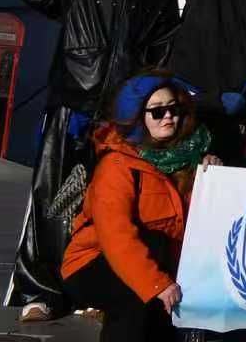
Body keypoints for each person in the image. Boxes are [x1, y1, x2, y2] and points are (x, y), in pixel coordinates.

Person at [11, 0, 180, 323]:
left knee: (110, 206)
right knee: (52, 197)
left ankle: (93, 287)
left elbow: (161, 57)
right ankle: (40, 290)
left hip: (122, 116)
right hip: (73, 103)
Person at [60, 72, 209, 342]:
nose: (168, 117)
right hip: (94, 261)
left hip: (158, 260)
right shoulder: (117, 166)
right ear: (137, 118)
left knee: (160, 304)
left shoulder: (189, 157)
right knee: (136, 293)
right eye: (157, 112)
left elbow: (195, 222)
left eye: (174, 109)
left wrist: (210, 177)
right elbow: (116, 236)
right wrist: (156, 283)